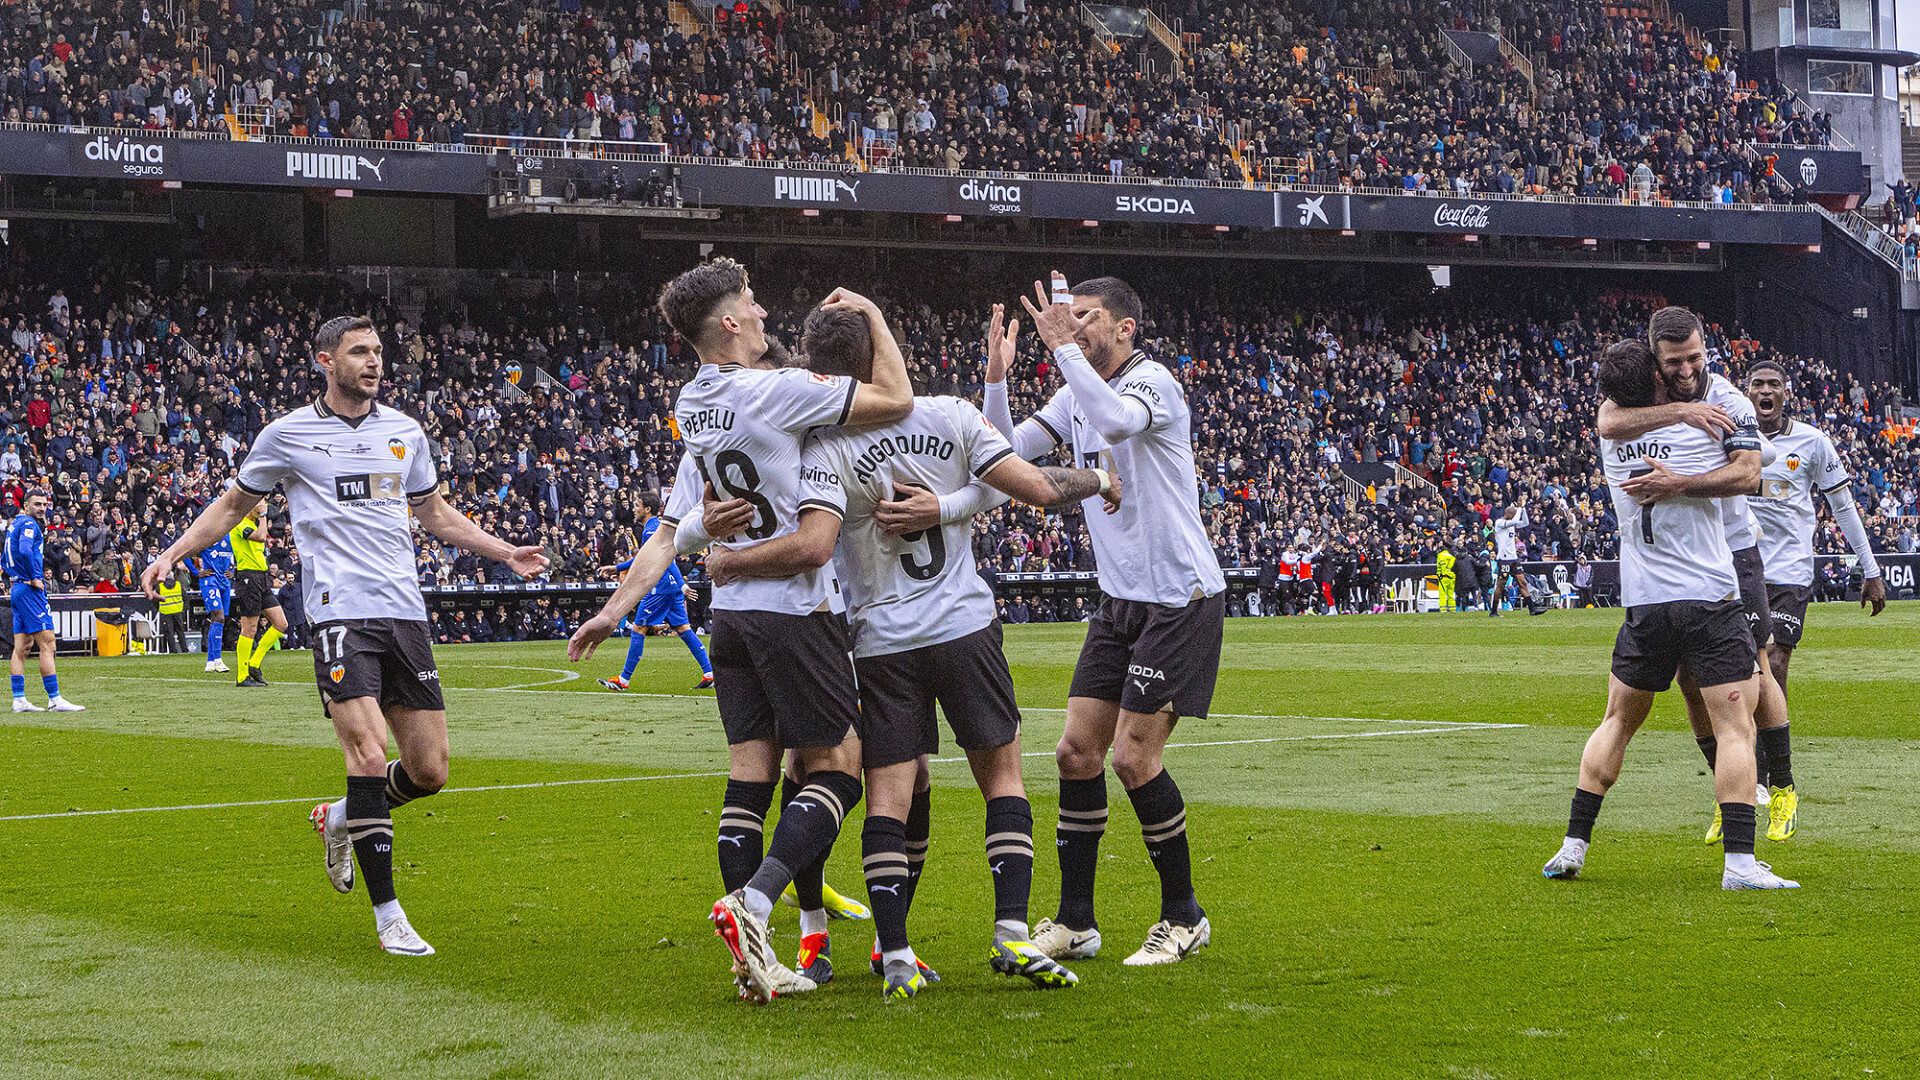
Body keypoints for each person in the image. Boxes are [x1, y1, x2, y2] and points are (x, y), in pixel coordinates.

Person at [697, 302, 1113, 998]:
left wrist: (717, 539)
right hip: (963, 626)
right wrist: (1101, 479)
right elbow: (1036, 488)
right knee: (1002, 779)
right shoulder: (949, 414)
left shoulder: (820, 446)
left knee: (887, 795)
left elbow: (796, 526)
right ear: (884, 351)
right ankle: (1012, 933)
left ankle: (895, 956)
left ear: (826, 372)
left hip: (881, 640)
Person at [143, 314, 550, 957]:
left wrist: (504, 552)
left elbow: (435, 514)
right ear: (325, 361)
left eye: (378, 351)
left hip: (403, 613)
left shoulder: (404, 431)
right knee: (366, 752)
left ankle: (340, 816)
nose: (374, 361)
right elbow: (231, 506)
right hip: (338, 613)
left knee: (430, 770)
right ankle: (390, 915)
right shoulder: (287, 435)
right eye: (359, 351)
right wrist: (172, 553)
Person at [565, 261, 913, 1004]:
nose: (762, 313)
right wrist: (876, 316)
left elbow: (670, 531)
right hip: (794, 611)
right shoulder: (774, 390)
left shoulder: (692, 404)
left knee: (750, 775)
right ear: (728, 322)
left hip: (731, 617)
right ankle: (753, 902)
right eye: (751, 303)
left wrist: (612, 611)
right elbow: (895, 399)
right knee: (838, 769)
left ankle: (753, 962)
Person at [989, 276, 1225, 966]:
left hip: (1178, 597)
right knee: (1075, 753)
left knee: (1132, 757)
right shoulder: (1075, 393)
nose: (1071, 327)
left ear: (1124, 328)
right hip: (1120, 600)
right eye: (1068, 319)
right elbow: (1002, 453)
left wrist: (1062, 349)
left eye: (1085, 317)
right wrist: (997, 379)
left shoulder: (1154, 383)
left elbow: (1118, 422)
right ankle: (1076, 922)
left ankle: (1184, 917)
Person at [1542, 339, 1796, 890]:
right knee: (1735, 730)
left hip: (1644, 603)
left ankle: (1573, 845)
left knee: (1615, 722)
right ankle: (1740, 863)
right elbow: (1758, 468)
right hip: (1708, 599)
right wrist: (1694, 418)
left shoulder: (1613, 437)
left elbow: (1610, 417)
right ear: (1658, 377)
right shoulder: (1698, 432)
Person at [1596, 307, 1796, 843]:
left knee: (1757, 669)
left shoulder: (1729, 399)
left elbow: (1750, 472)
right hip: (1681, 567)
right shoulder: (1646, 400)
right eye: (1674, 363)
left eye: (1694, 358)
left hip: (1733, 549)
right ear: (1655, 362)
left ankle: (1782, 787)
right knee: (1690, 681)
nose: (1686, 370)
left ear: (1706, 349)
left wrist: (1679, 483)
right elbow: (1607, 421)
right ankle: (1734, 792)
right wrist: (1683, 411)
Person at [1745, 357, 1888, 690]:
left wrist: (1870, 570)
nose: (1765, 390)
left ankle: (1773, 729)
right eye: (1758, 384)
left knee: (1775, 660)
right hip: (1740, 565)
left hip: (1789, 567)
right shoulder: (1729, 438)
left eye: (1773, 384)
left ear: (1786, 393)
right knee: (1739, 665)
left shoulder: (1812, 441)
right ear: (1746, 392)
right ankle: (1742, 726)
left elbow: (1843, 506)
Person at [595, 493, 713, 691]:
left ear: (647, 509)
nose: (634, 508)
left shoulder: (651, 529)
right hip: (670, 587)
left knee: (638, 628)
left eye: (637, 505)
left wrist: (682, 584)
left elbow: (666, 558)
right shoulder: (656, 527)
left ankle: (623, 680)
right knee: (683, 628)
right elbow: (646, 557)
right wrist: (617, 568)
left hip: (661, 587)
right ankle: (709, 673)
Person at [7, 492, 84, 712]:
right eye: (37, 504)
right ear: (26, 505)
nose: (42, 508)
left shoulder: (14, 525)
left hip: (17, 587)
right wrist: (33, 577)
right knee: (48, 644)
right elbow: (25, 550)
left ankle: (19, 699)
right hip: (29, 589)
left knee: (22, 646)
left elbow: (5, 556)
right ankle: (55, 699)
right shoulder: (29, 524)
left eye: (44, 504)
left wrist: (15, 576)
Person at [229, 501, 291, 687]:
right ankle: (242, 676)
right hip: (248, 578)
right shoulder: (240, 523)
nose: (261, 507)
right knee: (249, 628)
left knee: (281, 624)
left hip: (261, 577)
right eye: (258, 504)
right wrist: (263, 516)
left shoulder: (253, 523)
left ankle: (254, 664)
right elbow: (261, 537)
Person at [1488, 505, 1542, 615]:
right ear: (1509, 514)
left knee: (1522, 582)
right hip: (1504, 559)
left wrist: (1523, 509)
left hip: (1514, 558)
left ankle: (1532, 609)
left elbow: (1525, 523)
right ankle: (1493, 611)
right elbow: (1516, 520)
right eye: (1514, 514)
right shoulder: (1500, 522)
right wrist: (1519, 509)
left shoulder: (1511, 523)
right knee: (1501, 585)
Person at [193, 535, 234, 673]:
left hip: (225, 582)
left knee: (218, 620)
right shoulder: (209, 537)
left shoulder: (230, 538)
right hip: (210, 581)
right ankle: (218, 659)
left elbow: (236, 555)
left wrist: (233, 571)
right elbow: (186, 553)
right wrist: (196, 572)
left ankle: (210, 661)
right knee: (219, 617)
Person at [156, 568, 188, 654]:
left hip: (165, 612)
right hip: (178, 611)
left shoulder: (160, 587)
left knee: (169, 632)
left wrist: (159, 608)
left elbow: (155, 600)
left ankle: (173, 650)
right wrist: (183, 609)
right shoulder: (178, 585)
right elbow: (186, 598)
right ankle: (184, 649)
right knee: (180, 631)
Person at [1435, 541, 1457, 612]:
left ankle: (1443, 609)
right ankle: (1452, 609)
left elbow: (1441, 565)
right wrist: (1449, 568)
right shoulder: (1451, 556)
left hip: (1443, 577)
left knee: (1443, 594)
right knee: (1451, 594)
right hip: (1452, 577)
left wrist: (1441, 574)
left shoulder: (1440, 555)